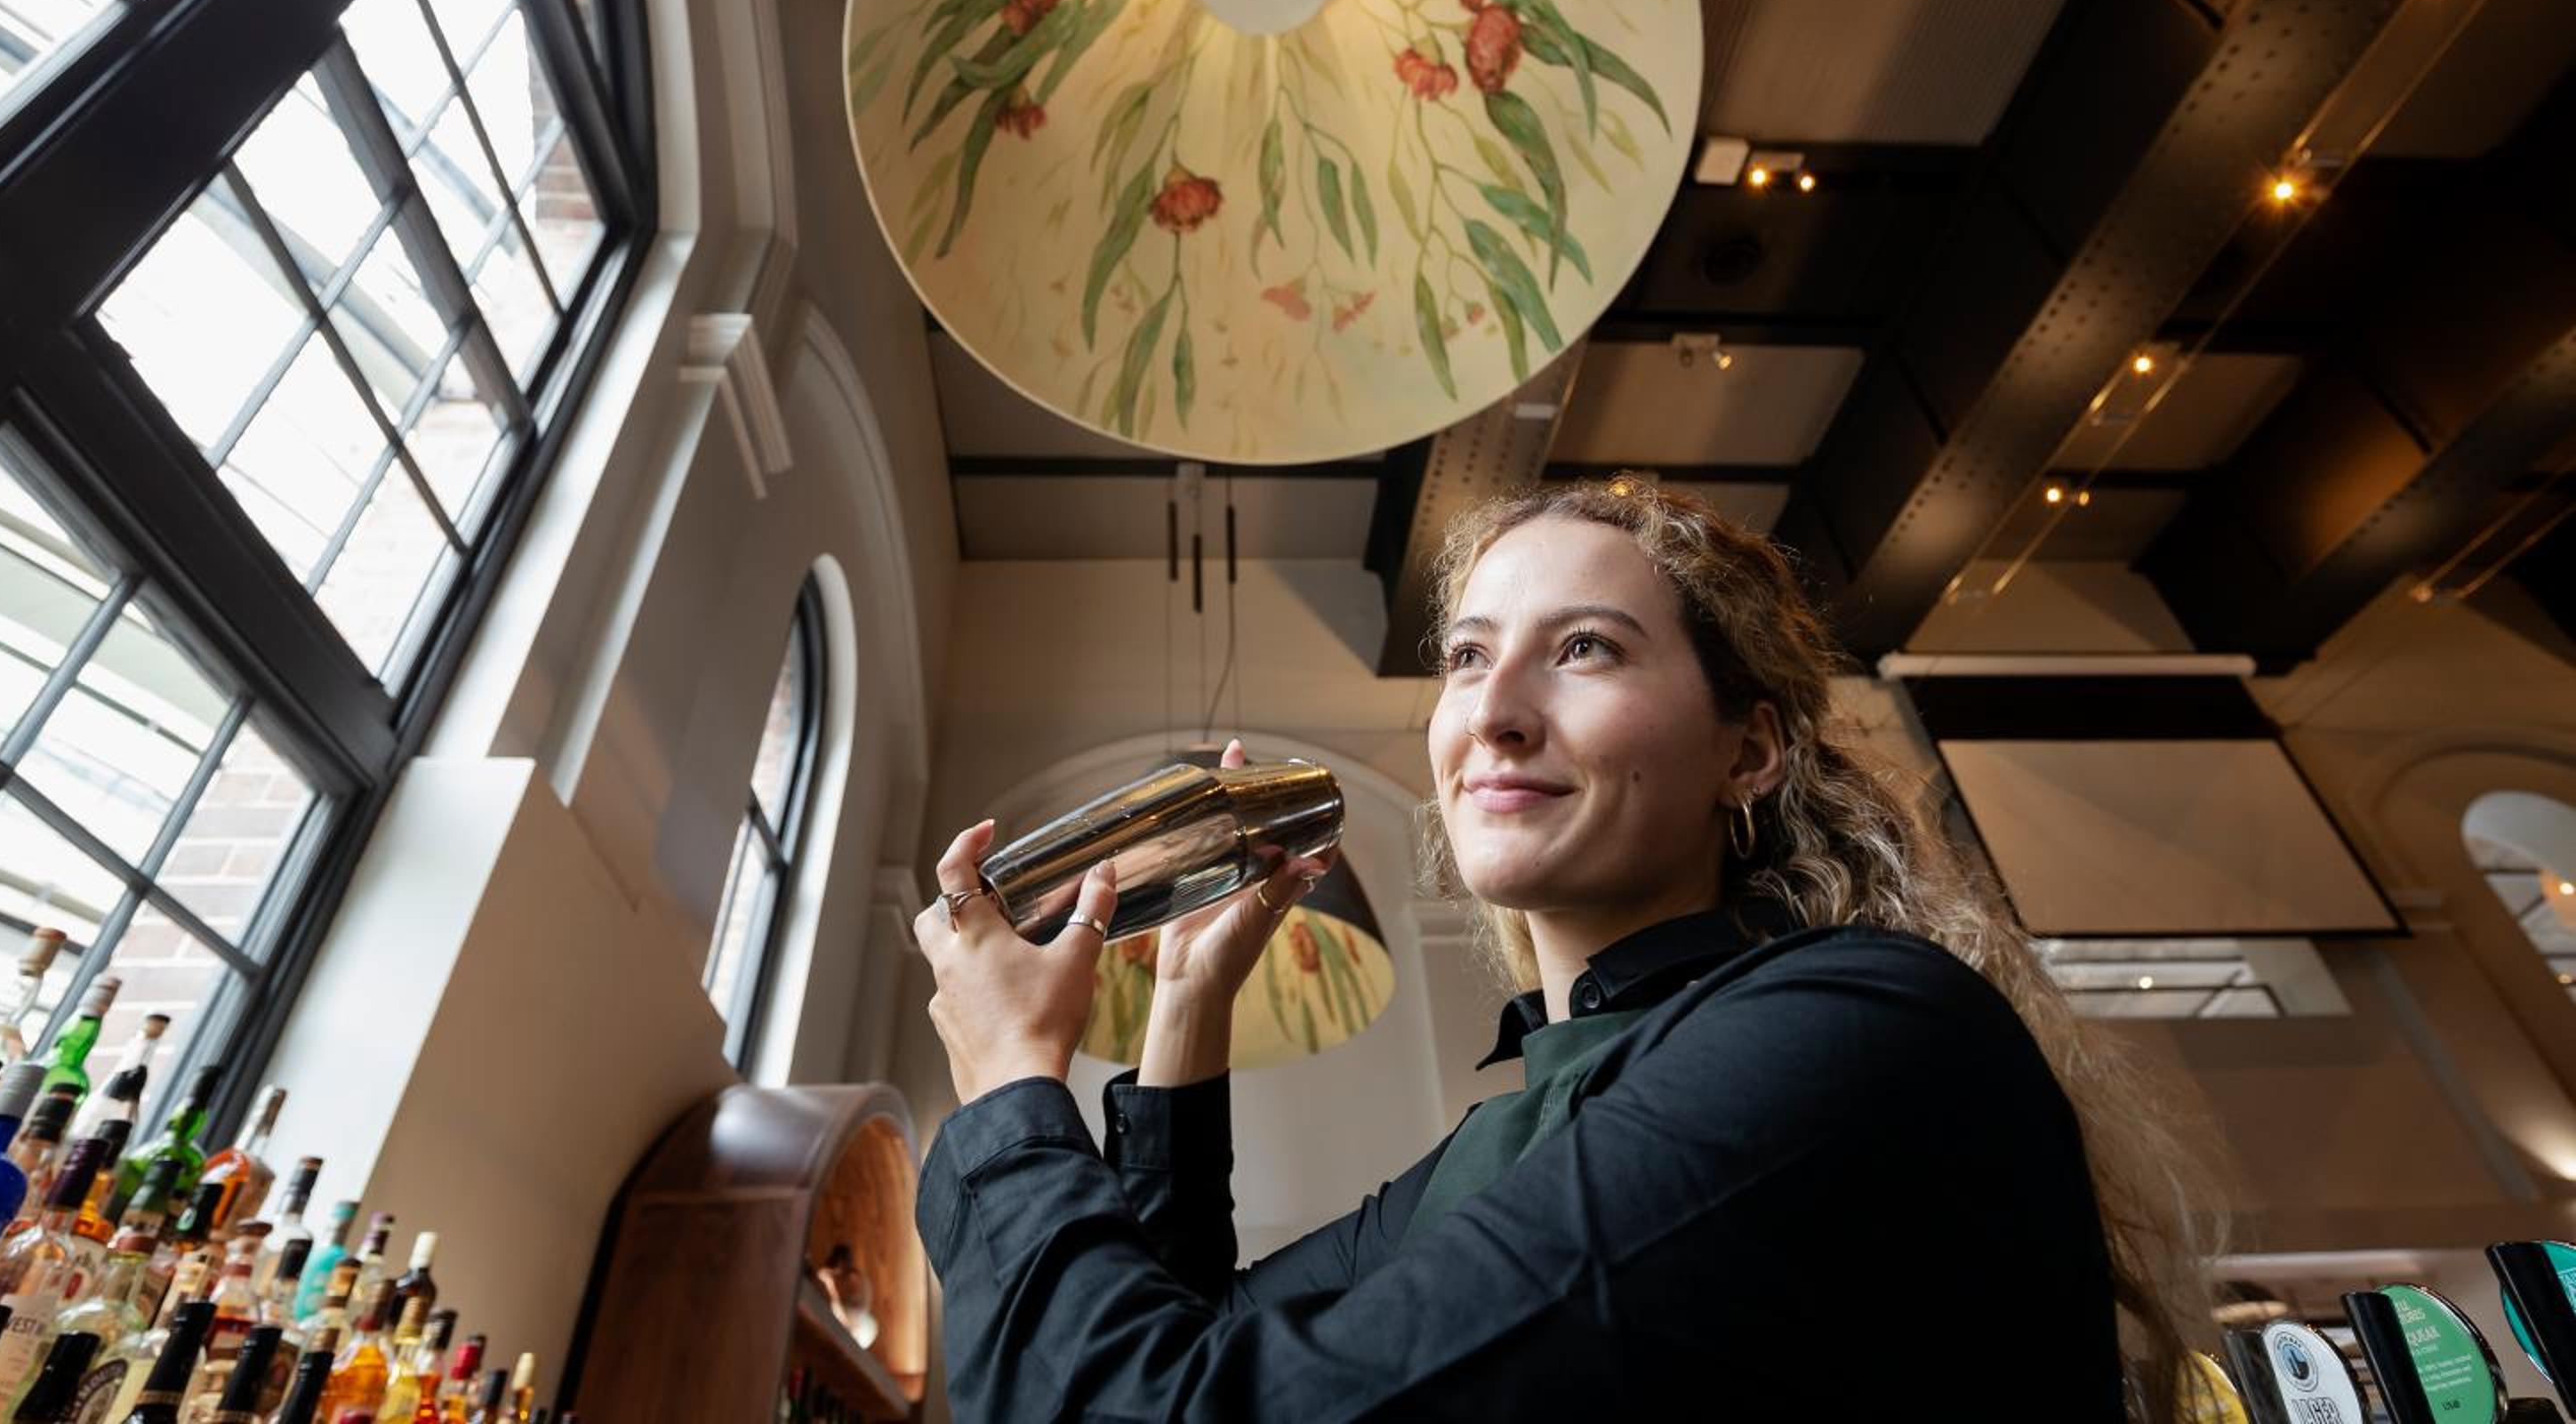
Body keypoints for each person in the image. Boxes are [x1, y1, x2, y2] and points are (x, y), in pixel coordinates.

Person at [912, 476, 2219, 1420]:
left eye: (1585, 648)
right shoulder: (1515, 1135)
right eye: (1466, 656)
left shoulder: (1856, 1032)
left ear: (1750, 750)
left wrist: (1011, 1081)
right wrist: (1187, 1014)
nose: (1494, 710)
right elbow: (1183, 1342)